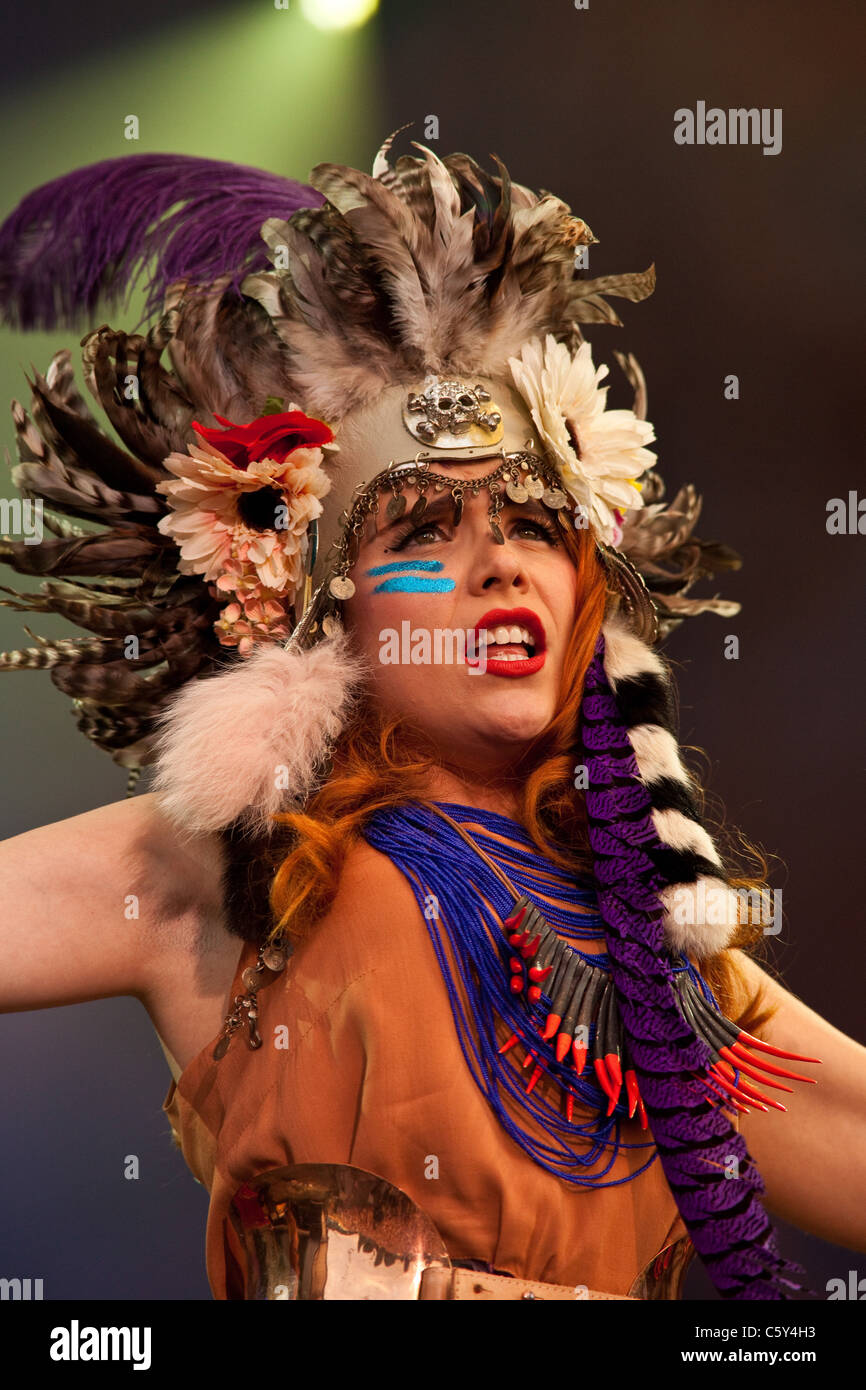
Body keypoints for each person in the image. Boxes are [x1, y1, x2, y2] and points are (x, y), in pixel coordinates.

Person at [0, 131, 864, 1302]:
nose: (499, 566)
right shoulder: (238, 865)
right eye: (418, 532)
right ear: (318, 609)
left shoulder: (664, 948)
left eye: (528, 523)